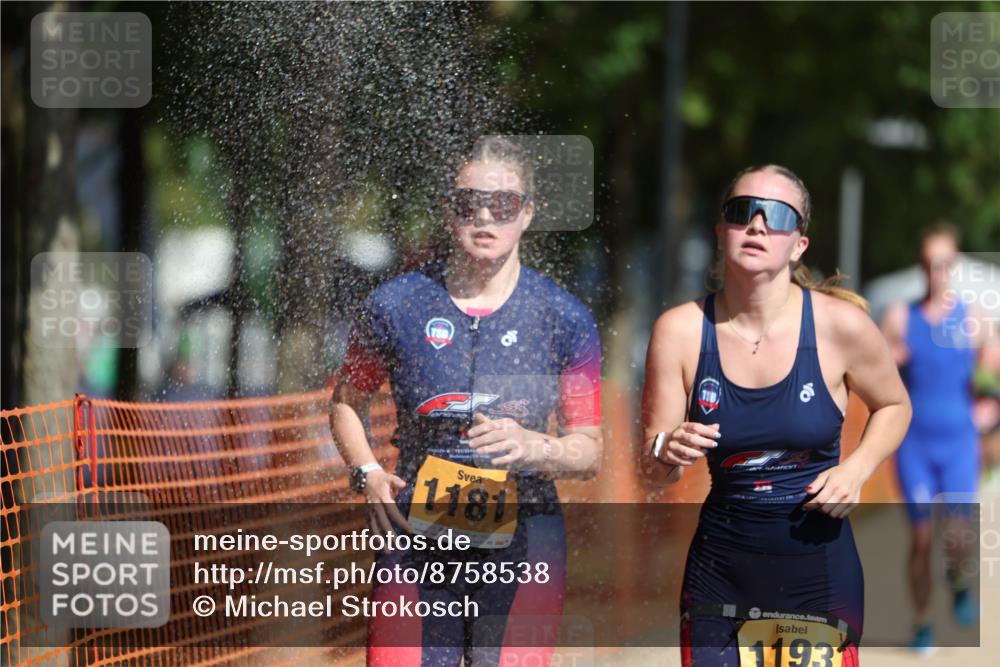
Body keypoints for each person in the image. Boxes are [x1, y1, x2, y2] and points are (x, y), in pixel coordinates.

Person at [330, 136, 603, 667]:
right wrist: (365, 471)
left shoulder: (563, 317)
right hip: (416, 532)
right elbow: (346, 401)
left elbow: (590, 450)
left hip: (526, 536)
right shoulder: (396, 304)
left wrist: (535, 447)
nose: (483, 214)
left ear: (527, 213)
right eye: (466, 203)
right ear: (448, 211)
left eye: (502, 204)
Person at [642, 164, 911, 666]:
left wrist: (857, 468)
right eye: (742, 212)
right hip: (719, 572)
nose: (758, 225)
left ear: (799, 244)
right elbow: (656, 469)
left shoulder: (840, 327)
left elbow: (895, 405)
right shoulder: (678, 331)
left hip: (817, 572)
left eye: (778, 216)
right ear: (722, 231)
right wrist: (665, 448)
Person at [880, 223, 985, 652]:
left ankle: (958, 580)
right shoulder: (900, 317)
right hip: (916, 444)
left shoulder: (974, 319)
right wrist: (890, 362)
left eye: (942, 263)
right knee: (922, 539)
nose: (934, 271)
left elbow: (991, 376)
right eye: (927, 263)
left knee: (957, 536)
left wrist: (989, 406)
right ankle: (923, 623)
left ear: (954, 266)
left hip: (959, 442)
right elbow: (877, 376)